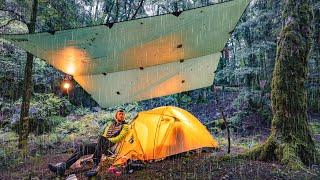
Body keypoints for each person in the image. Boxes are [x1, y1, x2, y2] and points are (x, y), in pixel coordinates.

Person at [48, 109, 129, 177]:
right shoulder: (111, 125)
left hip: (111, 147)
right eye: (120, 114)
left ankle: (96, 165)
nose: (121, 115)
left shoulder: (125, 126)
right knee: (82, 148)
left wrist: (106, 140)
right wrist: (101, 142)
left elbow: (119, 137)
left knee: (101, 138)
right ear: (116, 116)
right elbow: (104, 135)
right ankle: (63, 167)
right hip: (102, 145)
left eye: (122, 114)